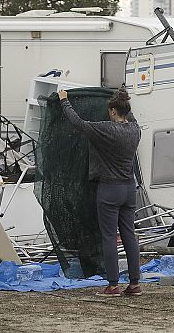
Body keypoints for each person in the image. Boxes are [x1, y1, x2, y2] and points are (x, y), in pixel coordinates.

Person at [58, 86, 142, 297]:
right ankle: (134, 284)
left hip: (109, 189)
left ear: (113, 111)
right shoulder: (135, 130)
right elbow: (128, 114)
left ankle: (113, 285)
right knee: (129, 235)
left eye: (110, 110)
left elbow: (78, 123)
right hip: (129, 189)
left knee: (109, 237)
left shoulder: (105, 129)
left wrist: (64, 101)